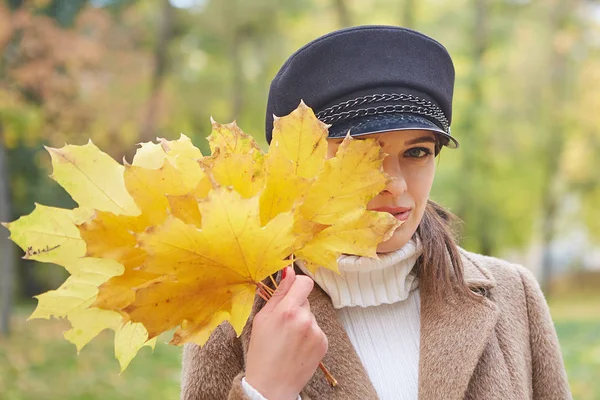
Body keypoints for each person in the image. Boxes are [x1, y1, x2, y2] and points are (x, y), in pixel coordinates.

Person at [180, 26, 571, 400]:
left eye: (417, 152)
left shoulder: (513, 294)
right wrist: (263, 393)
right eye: (361, 155)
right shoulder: (236, 315)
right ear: (297, 166)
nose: (396, 184)